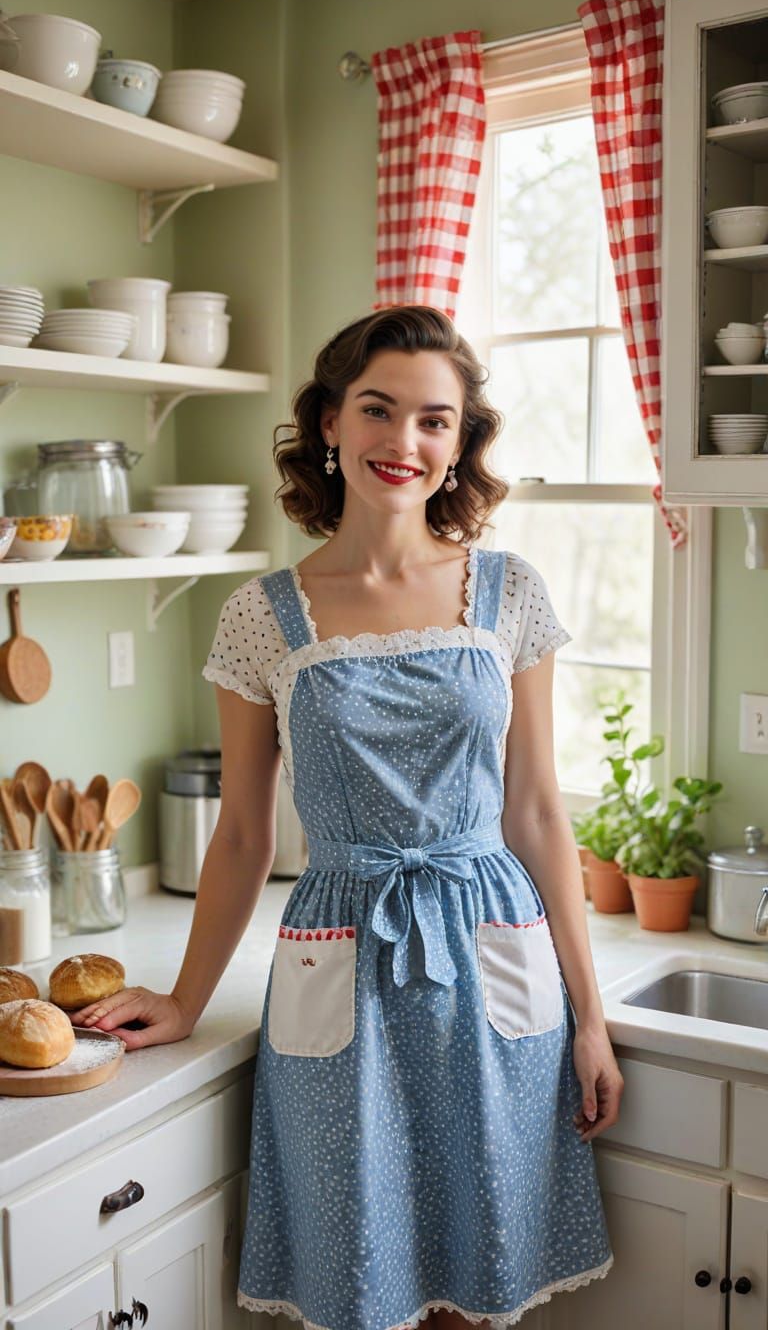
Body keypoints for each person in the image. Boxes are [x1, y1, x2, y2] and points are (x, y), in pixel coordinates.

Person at [68, 305, 624, 1330]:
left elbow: (540, 812)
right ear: (329, 421)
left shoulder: (509, 594)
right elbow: (242, 833)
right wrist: (188, 1000)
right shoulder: (262, 616)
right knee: (357, 1272)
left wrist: (590, 1018)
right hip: (342, 961)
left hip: (492, 955)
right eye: (379, 409)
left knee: (483, 1273)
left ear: (460, 444)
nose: (403, 442)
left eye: (434, 421)